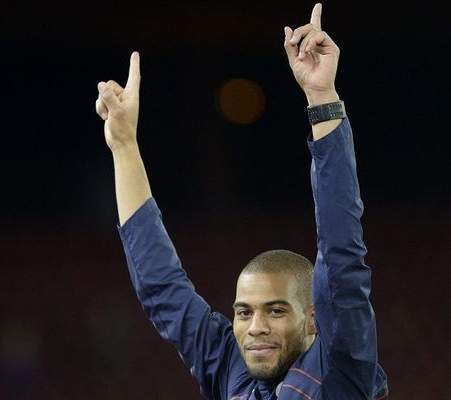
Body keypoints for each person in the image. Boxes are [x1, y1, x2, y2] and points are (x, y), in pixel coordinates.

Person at [94, 3, 388, 399]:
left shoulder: (340, 369)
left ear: (313, 320)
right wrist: (125, 146)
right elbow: (162, 288)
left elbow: (341, 250)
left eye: (277, 310)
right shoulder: (231, 367)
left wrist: (322, 97)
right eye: (244, 312)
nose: (256, 328)